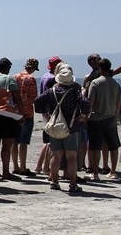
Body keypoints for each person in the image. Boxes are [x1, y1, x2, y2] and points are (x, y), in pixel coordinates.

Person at [34, 65, 89, 193]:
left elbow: (37, 101)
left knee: (56, 156)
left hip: (55, 127)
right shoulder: (74, 92)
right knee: (71, 157)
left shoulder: (52, 91)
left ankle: (54, 181)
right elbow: (86, 103)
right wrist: (83, 115)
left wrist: (46, 113)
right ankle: (72, 184)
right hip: (71, 127)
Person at [85, 58, 121, 180]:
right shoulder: (116, 84)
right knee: (113, 146)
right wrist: (116, 116)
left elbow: (90, 102)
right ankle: (113, 171)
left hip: (96, 118)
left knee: (95, 146)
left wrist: (86, 116)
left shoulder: (95, 83)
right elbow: (118, 103)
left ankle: (95, 173)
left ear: (100, 69)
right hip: (111, 117)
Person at [14, 58, 39, 176]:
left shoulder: (15, 76)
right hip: (27, 112)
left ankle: (15, 166)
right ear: (33, 68)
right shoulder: (31, 79)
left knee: (14, 141)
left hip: (15, 112)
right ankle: (23, 167)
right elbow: (33, 97)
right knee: (23, 142)